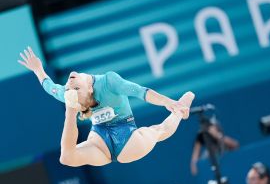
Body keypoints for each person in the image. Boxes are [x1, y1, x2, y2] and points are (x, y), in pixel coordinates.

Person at [18, 46, 195, 166]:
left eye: (72, 87)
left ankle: (179, 111)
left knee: (160, 130)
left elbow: (140, 92)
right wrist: (70, 112)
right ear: (88, 91)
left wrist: (169, 102)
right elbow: (67, 154)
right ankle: (180, 110)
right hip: (101, 142)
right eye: (73, 89)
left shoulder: (109, 81)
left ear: (90, 89)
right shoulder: (73, 96)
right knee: (66, 158)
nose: (69, 85)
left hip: (128, 136)